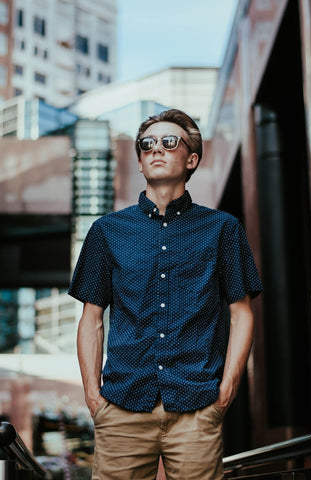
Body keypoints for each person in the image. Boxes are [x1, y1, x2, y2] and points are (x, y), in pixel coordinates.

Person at [68, 108, 263, 480]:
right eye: (147, 144)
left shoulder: (223, 229)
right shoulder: (106, 231)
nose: (156, 149)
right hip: (122, 405)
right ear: (140, 162)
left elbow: (242, 313)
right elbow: (91, 319)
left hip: (197, 406)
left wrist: (226, 391)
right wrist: (94, 397)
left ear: (191, 159)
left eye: (169, 142)